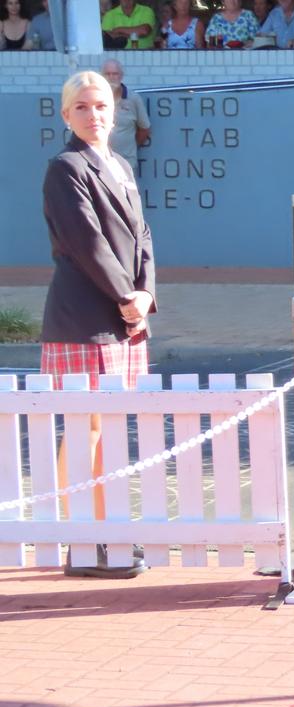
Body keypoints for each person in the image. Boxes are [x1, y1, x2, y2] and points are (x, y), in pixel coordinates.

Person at [42, 71, 156, 578]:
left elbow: (143, 237)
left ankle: (109, 534)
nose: (95, 115)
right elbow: (88, 243)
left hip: (125, 320)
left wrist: (145, 294)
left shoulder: (122, 166)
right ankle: (81, 540)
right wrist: (126, 297)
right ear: (66, 115)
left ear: (117, 110)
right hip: (83, 320)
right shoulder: (65, 167)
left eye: (102, 106)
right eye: (82, 107)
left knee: (110, 430)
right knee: (84, 428)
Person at [101, 60, 151, 173]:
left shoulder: (133, 99)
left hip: (125, 164)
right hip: (100, 164)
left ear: (121, 76)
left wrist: (130, 148)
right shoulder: (94, 99)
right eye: (107, 74)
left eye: (115, 74)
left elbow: (144, 129)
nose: (111, 77)